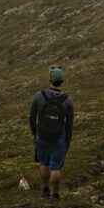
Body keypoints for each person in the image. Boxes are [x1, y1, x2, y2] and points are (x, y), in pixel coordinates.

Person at [30, 65, 74, 200]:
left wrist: (35, 134)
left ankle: (45, 190)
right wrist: (67, 143)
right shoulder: (67, 101)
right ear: (62, 80)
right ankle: (55, 194)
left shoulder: (39, 96)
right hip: (58, 139)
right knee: (55, 167)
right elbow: (69, 126)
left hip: (41, 137)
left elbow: (32, 117)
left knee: (43, 163)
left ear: (50, 79)